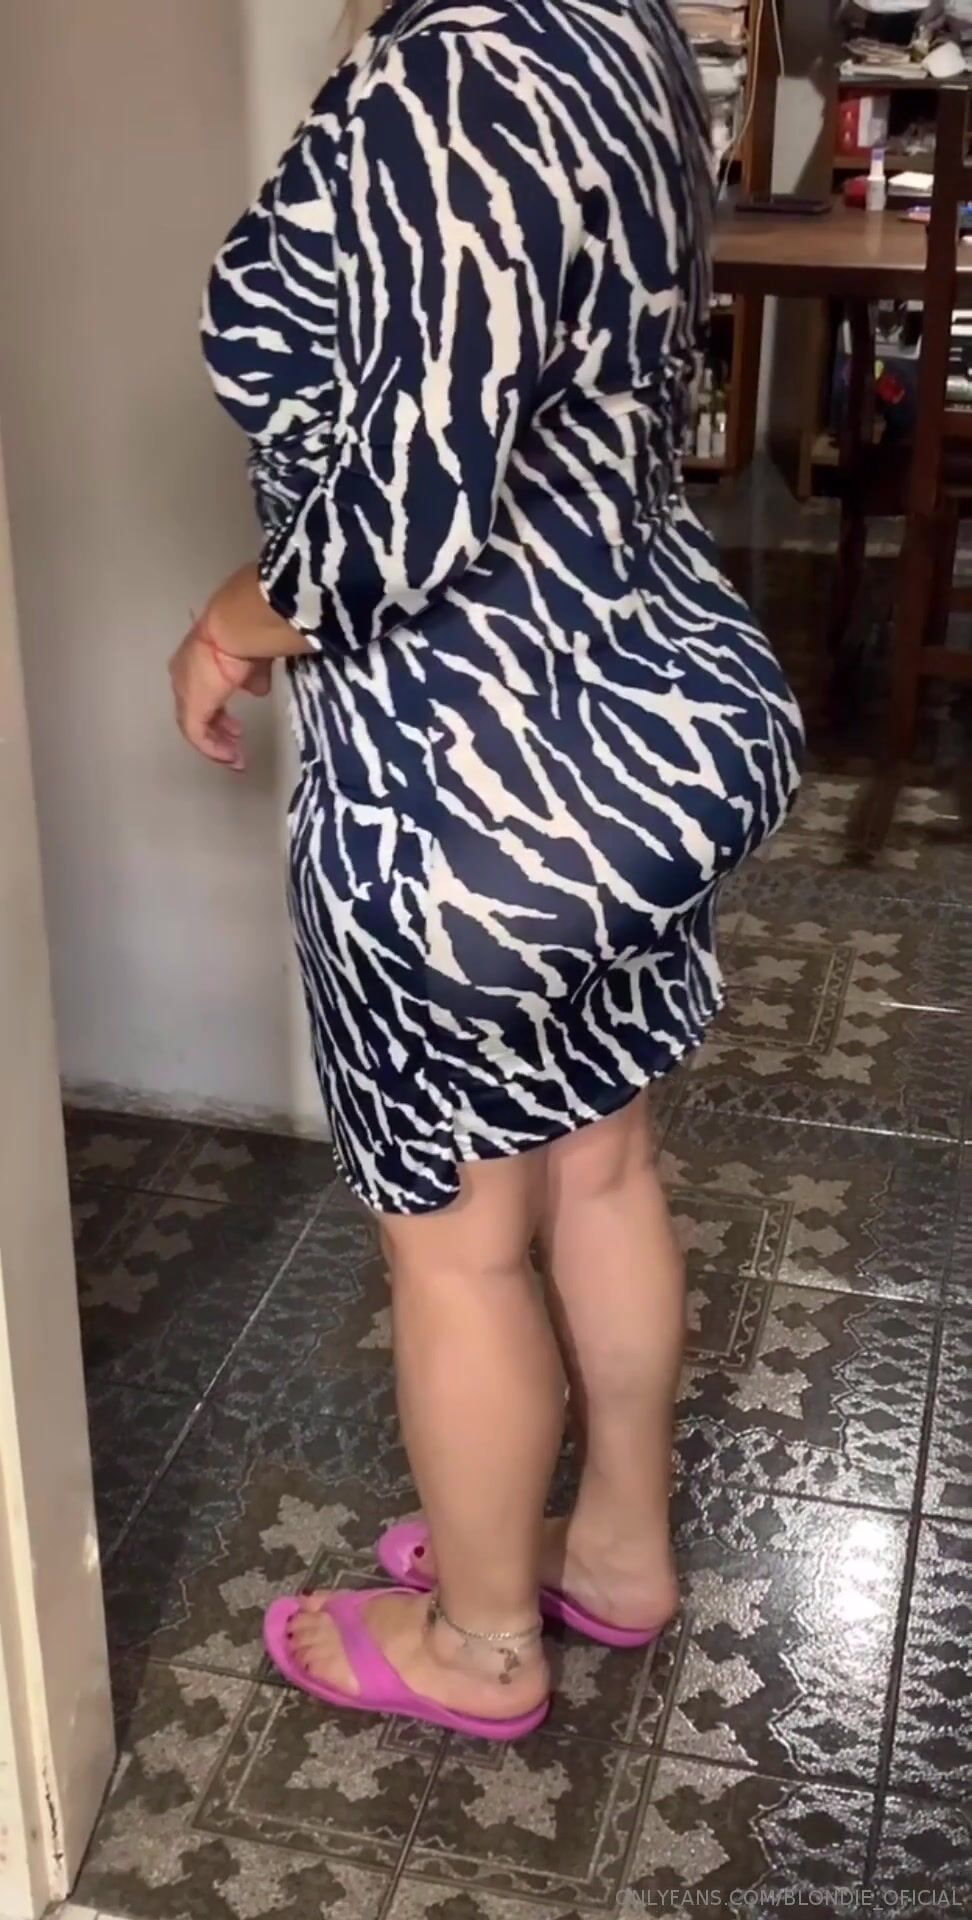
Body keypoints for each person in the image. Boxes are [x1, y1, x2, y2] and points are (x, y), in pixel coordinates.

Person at [169, 0, 803, 1741]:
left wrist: (226, 625)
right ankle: (616, 1553)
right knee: (600, 1167)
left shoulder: (448, 69)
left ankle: (482, 1640)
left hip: (467, 787)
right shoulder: (617, 23)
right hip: (641, 722)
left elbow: (399, 514)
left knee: (456, 1250)